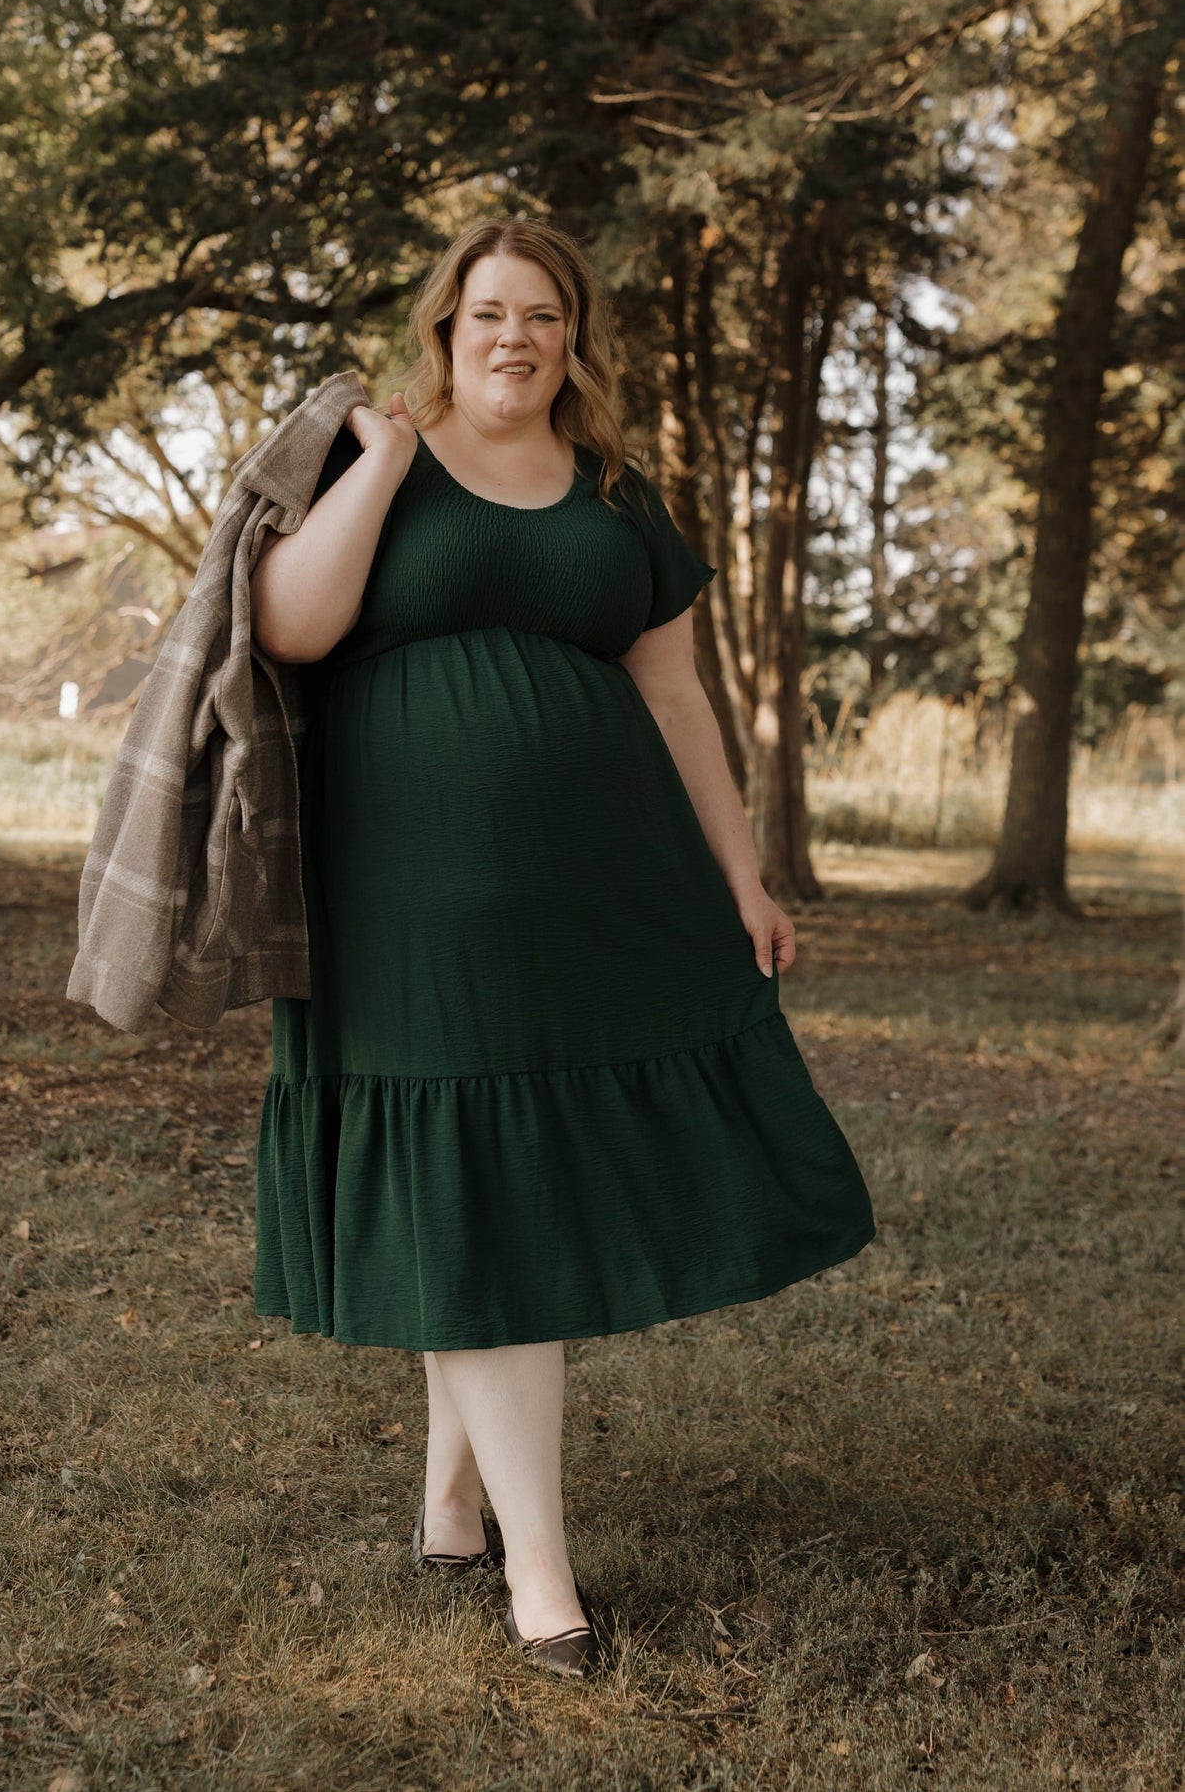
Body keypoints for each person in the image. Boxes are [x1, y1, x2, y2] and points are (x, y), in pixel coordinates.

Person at [247, 218, 875, 1678]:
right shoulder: (375, 462)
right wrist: (386, 461)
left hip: (596, 896)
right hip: (403, 903)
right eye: (485, 315)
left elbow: (673, 698)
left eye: (540, 315)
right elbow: (289, 625)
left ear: (570, 337)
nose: (512, 337)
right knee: (478, 1195)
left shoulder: (613, 494)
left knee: (502, 1183)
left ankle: (452, 1502)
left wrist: (741, 872)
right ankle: (542, 1574)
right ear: (444, 329)